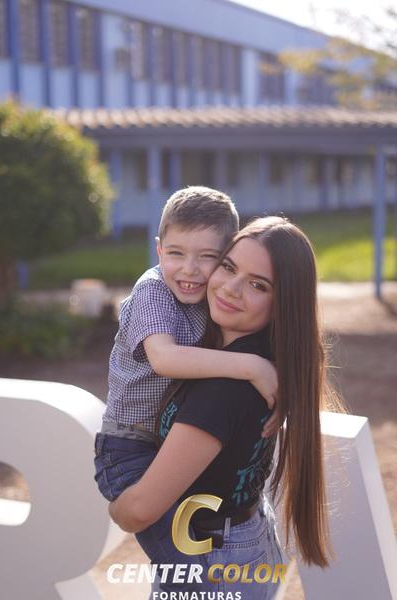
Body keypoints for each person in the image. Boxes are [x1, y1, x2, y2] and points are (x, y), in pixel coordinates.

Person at [109, 216, 343, 599]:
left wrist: (115, 508)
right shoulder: (254, 359)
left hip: (212, 559)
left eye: (257, 285)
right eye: (229, 267)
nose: (230, 288)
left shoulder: (225, 388)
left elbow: (140, 511)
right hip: (240, 540)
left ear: (283, 304)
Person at [94, 188, 278, 592]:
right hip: (128, 446)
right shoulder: (154, 291)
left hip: (163, 443)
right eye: (176, 253)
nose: (190, 270)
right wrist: (251, 367)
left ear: (225, 257)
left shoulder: (208, 295)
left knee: (188, 573)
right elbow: (164, 359)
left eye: (207, 257)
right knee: (185, 568)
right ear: (158, 249)